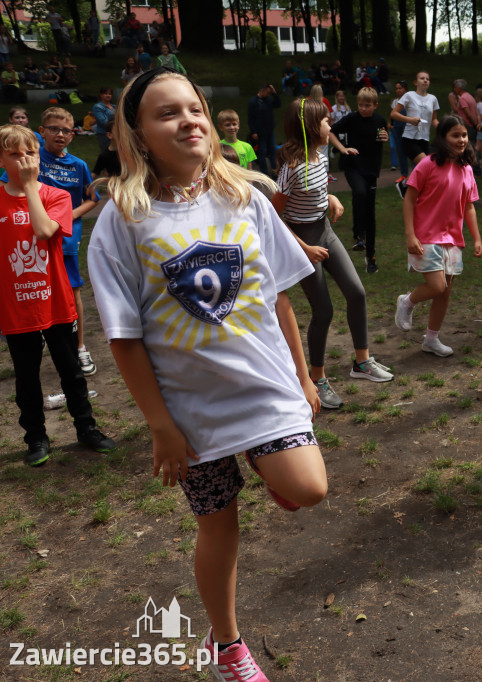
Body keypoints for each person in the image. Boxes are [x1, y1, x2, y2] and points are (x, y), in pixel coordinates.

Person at [87, 68, 328, 682]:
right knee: (218, 524)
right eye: (167, 113)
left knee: (308, 488)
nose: (188, 120)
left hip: (264, 388)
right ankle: (227, 645)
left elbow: (276, 296)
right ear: (137, 134)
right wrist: (161, 426)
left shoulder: (244, 194)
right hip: (190, 411)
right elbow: (124, 337)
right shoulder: (122, 219)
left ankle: (263, 455)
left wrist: (302, 376)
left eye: (193, 108)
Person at [0, 124, 115, 467]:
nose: (24, 160)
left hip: (55, 301)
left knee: (70, 370)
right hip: (16, 305)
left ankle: (86, 428)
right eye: (14, 154)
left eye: (30, 153)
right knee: (26, 375)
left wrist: (31, 188)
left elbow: (44, 230)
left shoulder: (56, 195)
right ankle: (35, 437)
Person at [273, 96, 393, 404]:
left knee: (357, 293)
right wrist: (304, 249)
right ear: (312, 127)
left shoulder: (320, 157)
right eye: (326, 120)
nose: (330, 124)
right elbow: (273, 218)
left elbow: (319, 188)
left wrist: (332, 199)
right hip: (303, 241)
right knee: (323, 310)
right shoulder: (291, 168)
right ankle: (317, 379)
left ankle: (362, 362)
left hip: (325, 231)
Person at [0, 107, 100, 375]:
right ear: (41, 131)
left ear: (73, 135)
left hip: (62, 235)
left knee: (72, 291)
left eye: (66, 130)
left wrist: (68, 215)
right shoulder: (30, 155)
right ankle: (33, 334)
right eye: (54, 129)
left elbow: (92, 198)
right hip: (26, 241)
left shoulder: (78, 165)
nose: (60, 134)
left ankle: (79, 348)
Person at [394, 115, 482, 357]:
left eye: (464, 135)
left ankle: (431, 340)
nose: (462, 140)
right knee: (437, 285)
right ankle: (407, 301)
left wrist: (476, 238)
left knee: (445, 291)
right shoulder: (428, 164)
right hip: (426, 236)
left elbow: (469, 207)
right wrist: (410, 235)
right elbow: (409, 199)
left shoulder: (466, 170)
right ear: (443, 138)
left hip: (452, 239)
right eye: (456, 135)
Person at [329, 87, 389, 272]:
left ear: (375, 105)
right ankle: (358, 235)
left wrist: (385, 137)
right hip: (352, 166)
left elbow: (381, 137)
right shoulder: (352, 118)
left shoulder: (380, 120)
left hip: (371, 169)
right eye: (361, 105)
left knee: (370, 213)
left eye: (368, 105)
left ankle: (370, 257)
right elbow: (330, 131)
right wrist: (342, 149)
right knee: (360, 192)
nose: (363, 108)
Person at [391, 70, 439, 171]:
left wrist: (444, 128)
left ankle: (404, 185)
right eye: (422, 78)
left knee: (423, 171)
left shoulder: (433, 99)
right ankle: (405, 184)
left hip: (424, 140)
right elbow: (393, 114)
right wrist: (410, 120)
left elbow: (434, 120)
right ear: (415, 82)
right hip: (409, 139)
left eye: (427, 79)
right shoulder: (409, 95)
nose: (425, 80)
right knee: (427, 166)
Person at [247, 82, 280, 177]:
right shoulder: (254, 102)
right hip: (260, 132)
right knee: (262, 152)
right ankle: (264, 173)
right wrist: (253, 131)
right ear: (262, 91)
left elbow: (278, 104)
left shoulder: (268, 100)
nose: (268, 95)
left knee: (273, 151)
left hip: (270, 131)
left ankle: (274, 171)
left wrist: (274, 93)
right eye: (268, 92)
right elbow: (251, 118)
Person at [388, 81, 409, 177]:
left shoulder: (410, 100)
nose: (398, 90)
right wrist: (389, 123)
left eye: (400, 88)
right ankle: (404, 174)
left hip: (407, 127)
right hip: (397, 128)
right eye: (396, 88)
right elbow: (391, 115)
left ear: (405, 89)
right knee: (400, 151)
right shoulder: (395, 102)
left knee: (410, 150)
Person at [91, 87, 115, 154]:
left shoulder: (115, 106)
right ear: (101, 95)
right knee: (107, 153)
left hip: (116, 134)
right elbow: (104, 121)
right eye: (105, 93)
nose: (108, 95)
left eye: (110, 94)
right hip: (104, 134)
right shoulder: (97, 107)